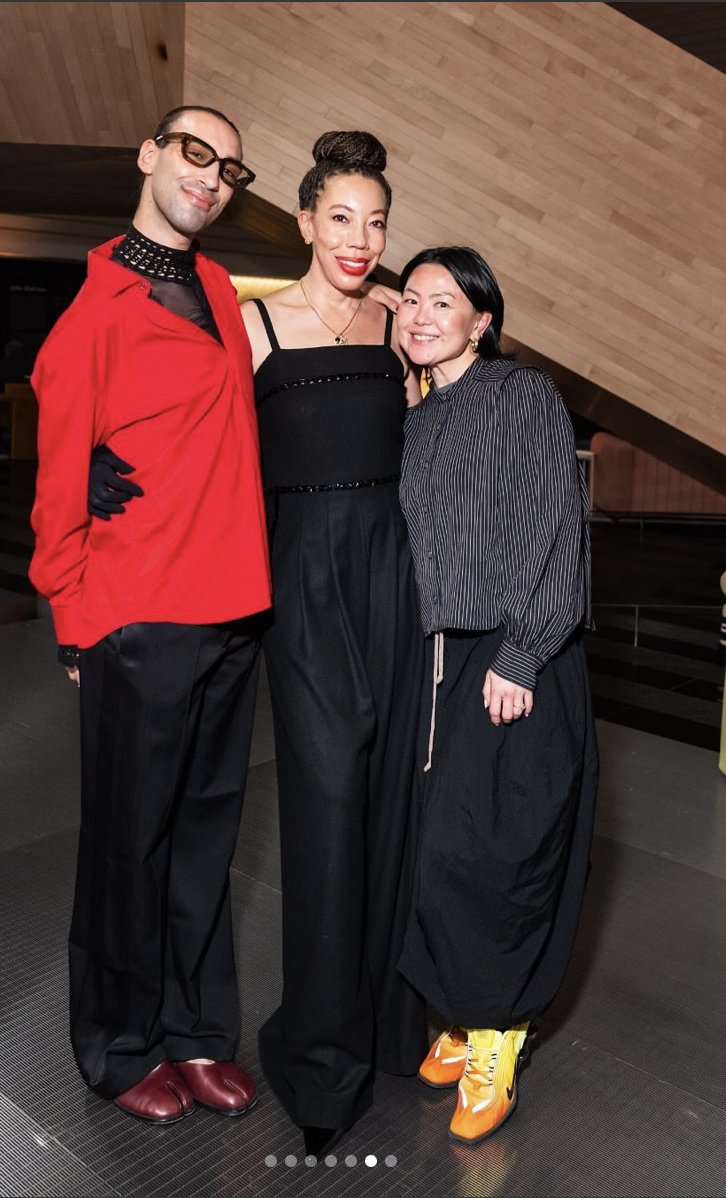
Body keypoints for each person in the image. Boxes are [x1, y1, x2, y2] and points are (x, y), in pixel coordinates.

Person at [89, 131, 428, 1156]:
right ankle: (320, 1059)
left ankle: (386, 1022)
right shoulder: (254, 323)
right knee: (326, 801)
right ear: (305, 221)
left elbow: (441, 434)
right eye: (341, 217)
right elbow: (188, 424)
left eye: (375, 221)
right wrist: (103, 460)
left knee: (389, 802)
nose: (359, 238)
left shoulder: (398, 324)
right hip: (300, 578)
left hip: (395, 574)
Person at [28, 104, 272, 1125]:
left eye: (228, 168)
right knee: (128, 845)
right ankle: (118, 1044)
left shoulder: (214, 285)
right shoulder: (98, 307)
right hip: (140, 614)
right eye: (193, 153)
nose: (210, 177)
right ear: (149, 156)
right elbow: (55, 482)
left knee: (206, 838)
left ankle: (195, 1029)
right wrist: (73, 616)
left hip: (233, 603)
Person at [393, 246, 599, 1145]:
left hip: (517, 657)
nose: (421, 314)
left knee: (499, 854)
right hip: (441, 658)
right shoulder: (420, 416)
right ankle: (466, 1007)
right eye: (410, 299)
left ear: (482, 320)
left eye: (444, 301)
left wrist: (521, 653)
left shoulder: (521, 395)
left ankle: (499, 1035)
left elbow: (554, 523)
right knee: (439, 848)